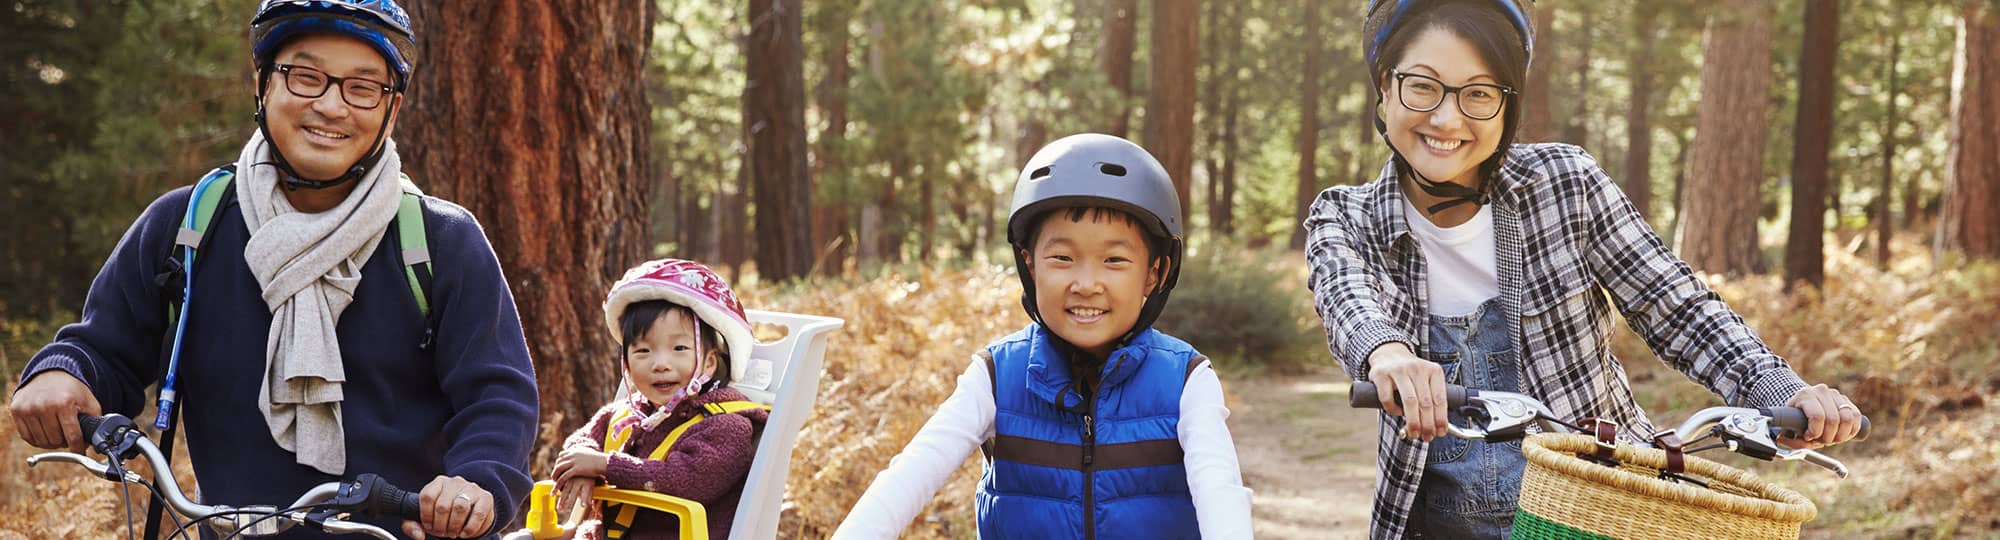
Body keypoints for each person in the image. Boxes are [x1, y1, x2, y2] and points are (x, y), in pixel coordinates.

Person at [1303, 1, 1868, 538]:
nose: (1447, 118)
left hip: (1606, 514)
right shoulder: (1346, 216)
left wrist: (1783, 393)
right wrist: (1392, 357)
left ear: (1509, 104)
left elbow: (1678, 307)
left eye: (1478, 94)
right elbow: (1347, 299)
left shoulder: (1565, 185)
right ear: (1385, 85)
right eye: (1422, 86)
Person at [7, 1, 538, 537]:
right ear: (262, 86)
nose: (332, 106)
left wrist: (476, 484)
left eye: (362, 87)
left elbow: (497, 395)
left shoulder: (442, 242)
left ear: (391, 110)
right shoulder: (191, 225)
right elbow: (102, 348)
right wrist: (62, 373)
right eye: (306, 77)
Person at [831, 134, 1254, 539]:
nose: (1087, 283)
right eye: (1063, 258)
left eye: (1114, 259)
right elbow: (911, 474)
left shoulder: (1186, 379)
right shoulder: (998, 375)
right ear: (1030, 265)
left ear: (1155, 273)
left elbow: (1220, 494)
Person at [548, 258, 768, 540]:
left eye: (679, 348)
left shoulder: (725, 427)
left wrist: (604, 465)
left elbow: (685, 480)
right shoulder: (623, 416)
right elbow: (580, 443)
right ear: (625, 363)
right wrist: (582, 468)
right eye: (643, 351)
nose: (660, 364)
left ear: (709, 362)